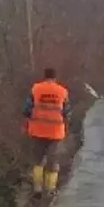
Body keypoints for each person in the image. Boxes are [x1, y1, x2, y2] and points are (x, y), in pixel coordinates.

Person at [24, 67, 70, 198]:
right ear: (55, 78)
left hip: (38, 130)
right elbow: (67, 112)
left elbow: (27, 109)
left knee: (38, 160)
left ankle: (37, 189)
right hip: (55, 132)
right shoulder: (62, 91)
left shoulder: (36, 89)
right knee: (52, 160)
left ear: (44, 76)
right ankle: (50, 190)